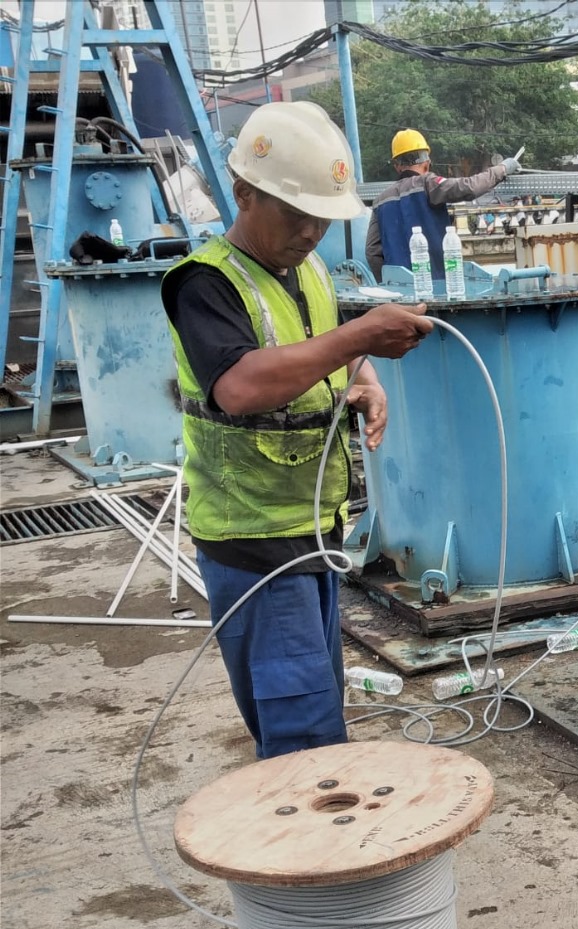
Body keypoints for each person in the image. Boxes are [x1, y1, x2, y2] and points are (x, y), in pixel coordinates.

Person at [162, 101, 434, 760]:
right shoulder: (206, 285)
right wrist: (361, 333)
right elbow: (241, 386)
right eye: (295, 212)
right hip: (254, 541)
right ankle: (311, 854)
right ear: (244, 192)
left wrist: (363, 377)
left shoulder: (305, 271)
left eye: (322, 217)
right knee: (303, 733)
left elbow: (322, 347)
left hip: (310, 531)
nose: (311, 231)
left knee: (315, 702)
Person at [365, 128, 522, 282]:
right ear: (427, 162)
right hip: (437, 287)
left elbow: (372, 252)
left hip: (399, 293)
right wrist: (502, 169)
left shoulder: (380, 201)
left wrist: (388, 283)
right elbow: (470, 187)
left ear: (397, 166)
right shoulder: (429, 185)